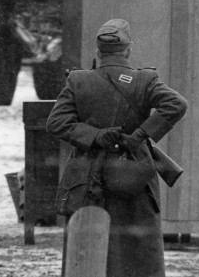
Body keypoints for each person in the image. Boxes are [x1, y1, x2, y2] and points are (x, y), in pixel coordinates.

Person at [47, 19, 187, 277]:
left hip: (87, 180)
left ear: (98, 53)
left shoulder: (78, 81)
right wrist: (139, 135)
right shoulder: (145, 80)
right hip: (134, 176)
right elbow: (176, 105)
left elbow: (56, 123)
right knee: (138, 252)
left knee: (86, 247)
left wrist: (96, 135)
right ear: (128, 51)